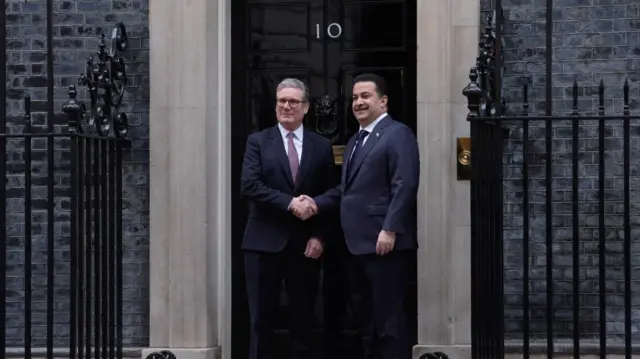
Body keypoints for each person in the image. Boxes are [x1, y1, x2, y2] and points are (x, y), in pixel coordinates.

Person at [293, 73, 420, 358]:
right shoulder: (354, 141)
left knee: (389, 322)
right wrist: (314, 202)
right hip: (356, 245)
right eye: (354, 97)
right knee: (367, 321)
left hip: (384, 243)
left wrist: (390, 229)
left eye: (366, 96)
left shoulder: (397, 133)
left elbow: (405, 184)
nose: (358, 102)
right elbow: (345, 191)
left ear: (383, 101)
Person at [240, 78, 336, 359]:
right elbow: (249, 185)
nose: (286, 106)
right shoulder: (258, 142)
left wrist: (320, 237)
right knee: (260, 321)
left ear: (305, 107)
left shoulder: (321, 145)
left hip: (304, 247)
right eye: (282, 101)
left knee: (303, 321)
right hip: (262, 245)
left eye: (293, 101)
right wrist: (290, 203)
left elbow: (330, 195)